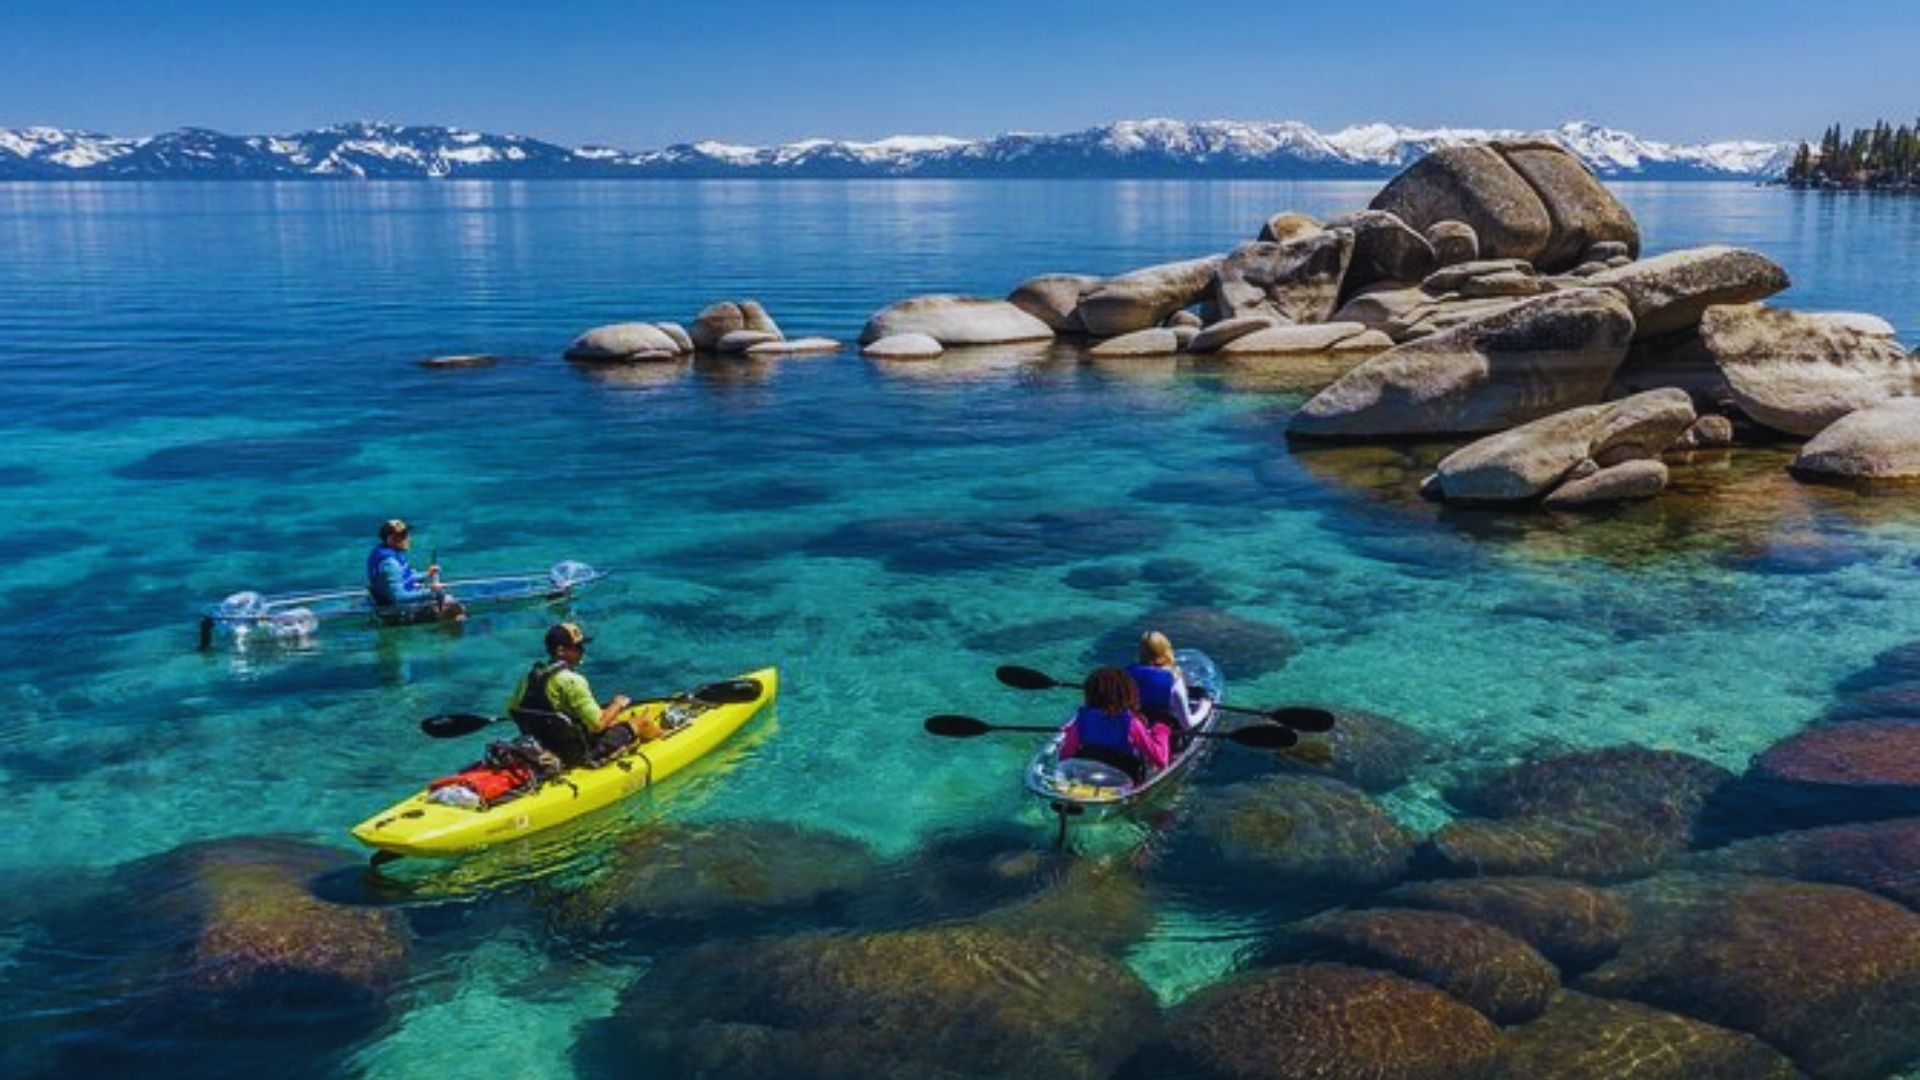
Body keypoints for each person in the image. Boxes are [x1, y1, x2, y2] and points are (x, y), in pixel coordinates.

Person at [505, 622, 660, 765]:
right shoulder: (572, 681)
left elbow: (513, 710)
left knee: (612, 719)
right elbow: (597, 726)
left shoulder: (529, 676)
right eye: (577, 647)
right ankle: (667, 741)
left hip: (544, 747)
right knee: (642, 722)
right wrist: (618, 704)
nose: (583, 651)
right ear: (561, 651)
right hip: (581, 753)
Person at [1057, 666, 1169, 783]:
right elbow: (1160, 760)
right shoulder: (1131, 722)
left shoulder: (1081, 720)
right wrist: (1162, 730)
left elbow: (1065, 757)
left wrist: (1069, 733)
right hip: (1123, 783)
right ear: (1126, 693)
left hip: (1087, 780)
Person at [365, 518, 464, 621]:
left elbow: (403, 576)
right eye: (403, 536)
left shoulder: (390, 554)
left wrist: (427, 574)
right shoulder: (390, 564)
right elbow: (398, 597)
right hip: (397, 611)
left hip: (400, 599)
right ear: (390, 539)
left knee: (448, 601)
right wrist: (432, 592)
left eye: (407, 534)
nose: (408, 539)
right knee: (455, 608)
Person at [1127, 630, 1204, 749]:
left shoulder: (1127, 674)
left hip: (1135, 732)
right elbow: (1187, 724)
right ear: (1166, 651)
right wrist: (1204, 708)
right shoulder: (1173, 680)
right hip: (1164, 738)